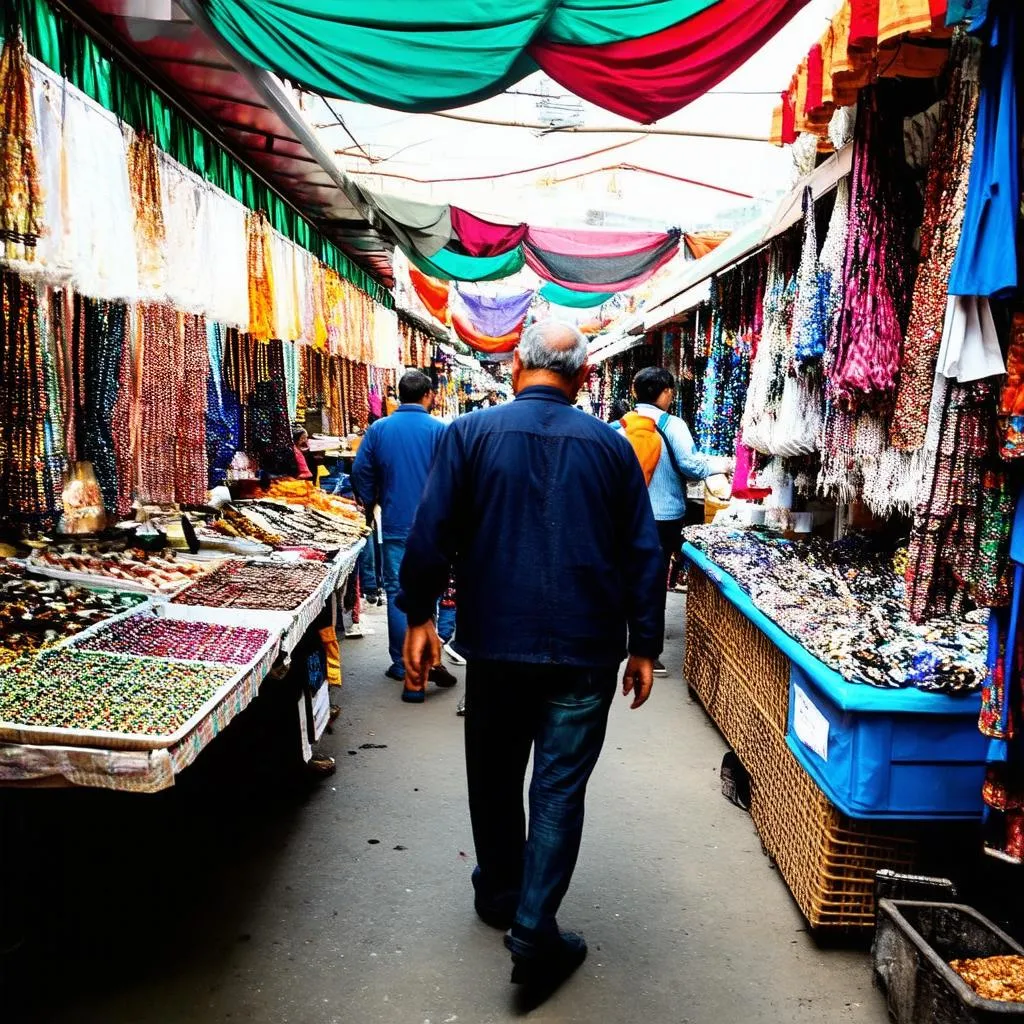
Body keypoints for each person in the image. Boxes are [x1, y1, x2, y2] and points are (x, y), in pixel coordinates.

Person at [398, 321, 664, 991]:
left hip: (496, 645)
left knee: (492, 772)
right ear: (582, 376)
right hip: (585, 649)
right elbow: (641, 553)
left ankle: (500, 896)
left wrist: (420, 615)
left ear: (517, 366)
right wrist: (644, 646)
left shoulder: (469, 435)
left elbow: (430, 535)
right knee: (558, 788)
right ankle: (533, 926)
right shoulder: (610, 448)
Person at [616, 367, 734, 676]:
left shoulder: (618, 427)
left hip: (624, 516)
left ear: (635, 392)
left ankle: (617, 637)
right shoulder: (673, 425)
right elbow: (691, 465)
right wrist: (723, 465)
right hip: (664, 517)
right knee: (653, 583)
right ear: (666, 392)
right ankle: (647, 652)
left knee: (624, 576)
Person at [350, 369, 458, 698]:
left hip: (396, 523)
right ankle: (432, 655)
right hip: (437, 527)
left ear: (399, 395)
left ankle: (402, 663)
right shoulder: (442, 431)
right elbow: (458, 477)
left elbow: (360, 471)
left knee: (400, 591)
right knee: (435, 592)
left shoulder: (379, 430)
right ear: (429, 396)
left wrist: (370, 503)